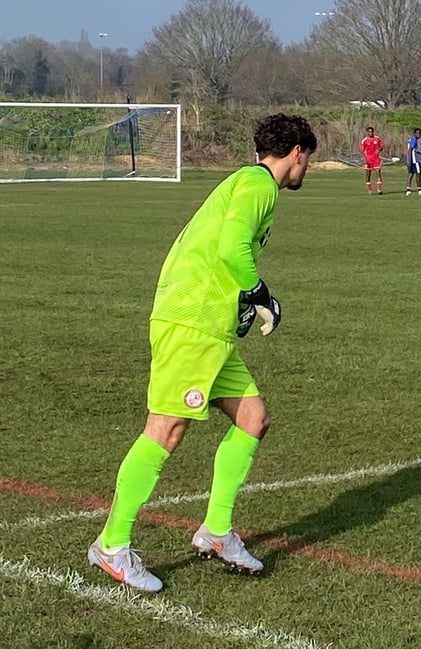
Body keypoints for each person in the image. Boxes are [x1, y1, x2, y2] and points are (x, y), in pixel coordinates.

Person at [87, 113, 317, 593]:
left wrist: (240, 302)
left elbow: (221, 251)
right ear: (297, 152)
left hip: (211, 328)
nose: (306, 169)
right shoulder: (260, 185)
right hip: (192, 323)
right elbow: (233, 248)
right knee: (166, 430)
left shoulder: (247, 183)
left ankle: (216, 531)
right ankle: (112, 544)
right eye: (308, 160)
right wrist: (258, 293)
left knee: (253, 419)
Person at [360, 126, 384, 194]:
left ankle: (379, 190)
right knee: (368, 175)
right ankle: (369, 190)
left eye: (371, 132)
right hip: (368, 159)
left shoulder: (377, 138)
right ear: (367, 132)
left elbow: (381, 146)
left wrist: (379, 149)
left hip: (376, 159)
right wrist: (365, 161)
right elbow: (362, 151)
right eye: (369, 132)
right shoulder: (364, 140)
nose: (370, 133)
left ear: (373, 132)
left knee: (378, 173)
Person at [405, 127, 421, 196]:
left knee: (411, 173)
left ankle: (408, 190)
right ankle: (420, 190)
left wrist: (417, 152)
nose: (418, 135)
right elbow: (410, 149)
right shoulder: (414, 139)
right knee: (418, 173)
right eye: (417, 133)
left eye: (419, 133)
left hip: (412, 159)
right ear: (414, 133)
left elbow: (411, 149)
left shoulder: (411, 139)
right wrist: (409, 160)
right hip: (415, 160)